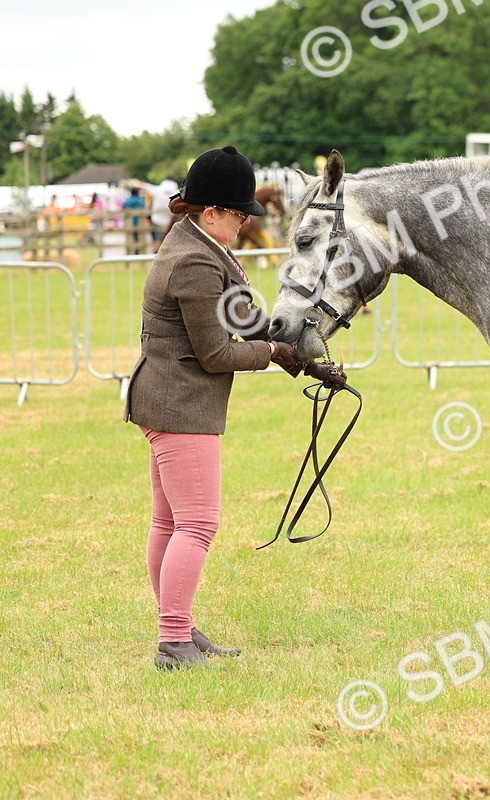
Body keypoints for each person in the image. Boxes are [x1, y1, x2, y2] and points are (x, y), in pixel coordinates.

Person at [123, 145, 345, 670]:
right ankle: (173, 640)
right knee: (197, 524)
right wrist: (274, 353)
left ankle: (178, 624)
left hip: (164, 399)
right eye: (239, 215)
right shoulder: (196, 262)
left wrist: (306, 361)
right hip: (181, 406)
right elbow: (218, 352)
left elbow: (242, 319)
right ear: (211, 211)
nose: (245, 224)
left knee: (169, 522)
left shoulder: (198, 245)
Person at [146, 174, 181, 250]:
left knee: (157, 240)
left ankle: (156, 251)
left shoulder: (157, 189)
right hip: (171, 220)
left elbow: (147, 187)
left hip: (157, 219)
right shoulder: (177, 192)